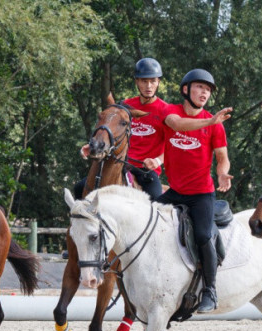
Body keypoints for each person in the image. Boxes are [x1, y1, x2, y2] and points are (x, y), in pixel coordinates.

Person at [157, 68, 233, 313]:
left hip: (201, 193)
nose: (205, 93)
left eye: (208, 90)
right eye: (200, 87)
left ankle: (210, 289)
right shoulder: (171, 112)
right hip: (175, 190)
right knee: (148, 219)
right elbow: (178, 124)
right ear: (185, 89)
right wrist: (210, 120)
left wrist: (222, 173)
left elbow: (223, 158)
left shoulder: (216, 126)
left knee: (202, 235)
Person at [76, 57, 167, 200]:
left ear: (158, 82)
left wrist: (158, 161)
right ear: (137, 81)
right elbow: (111, 131)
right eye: (144, 81)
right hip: (118, 164)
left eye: (153, 81)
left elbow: (173, 145)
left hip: (146, 170)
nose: (148, 86)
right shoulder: (124, 106)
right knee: (80, 187)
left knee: (156, 200)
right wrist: (95, 145)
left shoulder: (166, 111)